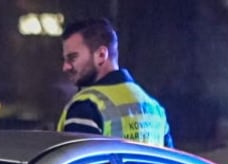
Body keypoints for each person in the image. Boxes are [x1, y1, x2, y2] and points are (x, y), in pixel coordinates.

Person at [56, 18, 173, 147]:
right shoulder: (153, 108)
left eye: (72, 58)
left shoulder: (86, 107)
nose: (65, 67)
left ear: (101, 55)